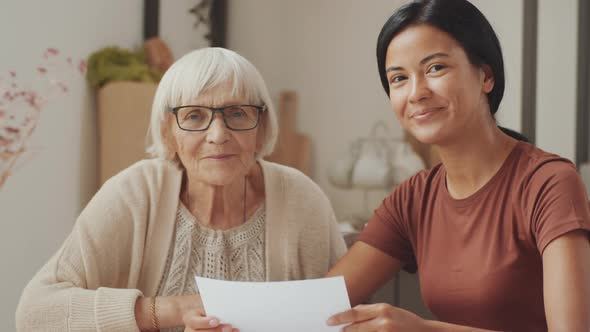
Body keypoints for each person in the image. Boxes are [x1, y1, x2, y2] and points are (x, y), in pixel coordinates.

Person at [16, 47, 347, 332]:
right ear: (168, 131)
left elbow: (346, 317)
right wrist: (173, 310)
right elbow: (36, 314)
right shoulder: (135, 193)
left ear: (261, 129)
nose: (218, 134)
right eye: (194, 115)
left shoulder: (302, 200)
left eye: (236, 113)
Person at [324, 0, 590, 331]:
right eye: (399, 79)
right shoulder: (413, 198)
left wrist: (424, 330)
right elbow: (320, 305)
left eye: (435, 68)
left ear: (486, 76)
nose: (416, 93)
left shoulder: (549, 183)